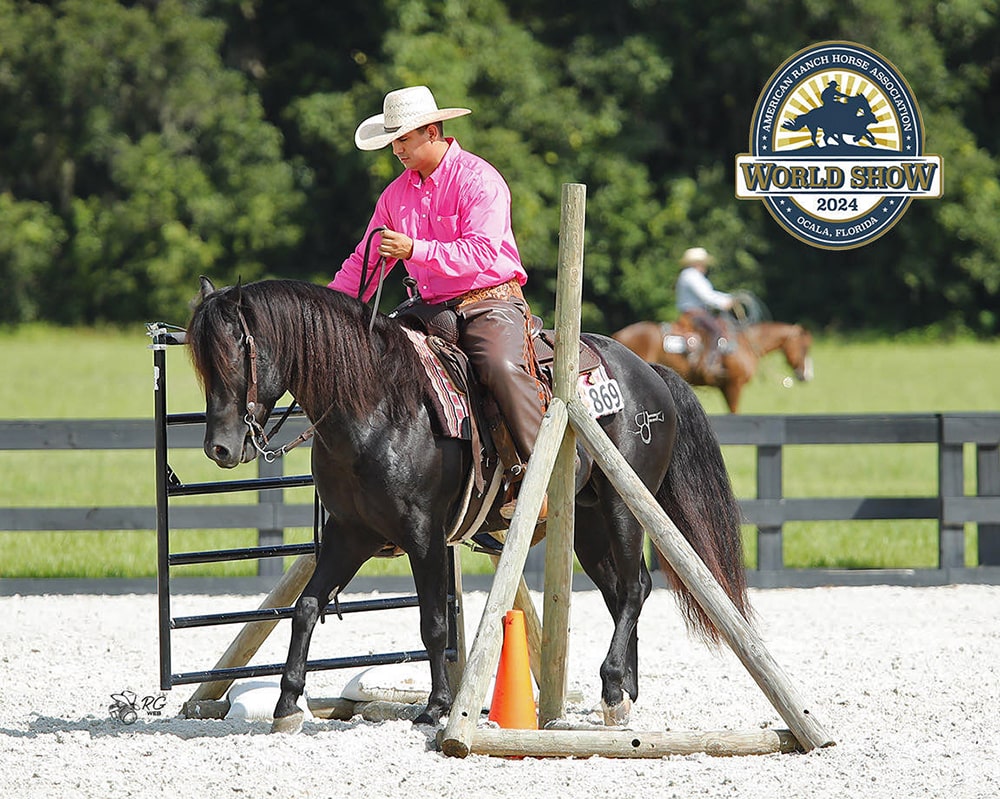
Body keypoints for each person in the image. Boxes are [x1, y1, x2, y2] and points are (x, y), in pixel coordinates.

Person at [328, 85, 547, 520]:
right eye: (393, 141)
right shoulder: (394, 196)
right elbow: (366, 261)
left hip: (489, 301)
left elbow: (484, 253)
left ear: (432, 132)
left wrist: (416, 251)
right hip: (429, 308)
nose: (396, 150)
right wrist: (324, 312)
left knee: (500, 367)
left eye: (404, 140)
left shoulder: (479, 180)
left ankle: (543, 472)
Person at [674, 246, 734, 371]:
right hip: (695, 314)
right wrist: (725, 302)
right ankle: (710, 362)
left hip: (695, 312)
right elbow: (707, 296)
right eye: (703, 263)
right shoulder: (692, 275)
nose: (705, 266)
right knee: (716, 330)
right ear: (697, 263)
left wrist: (728, 298)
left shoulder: (689, 275)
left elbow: (709, 294)